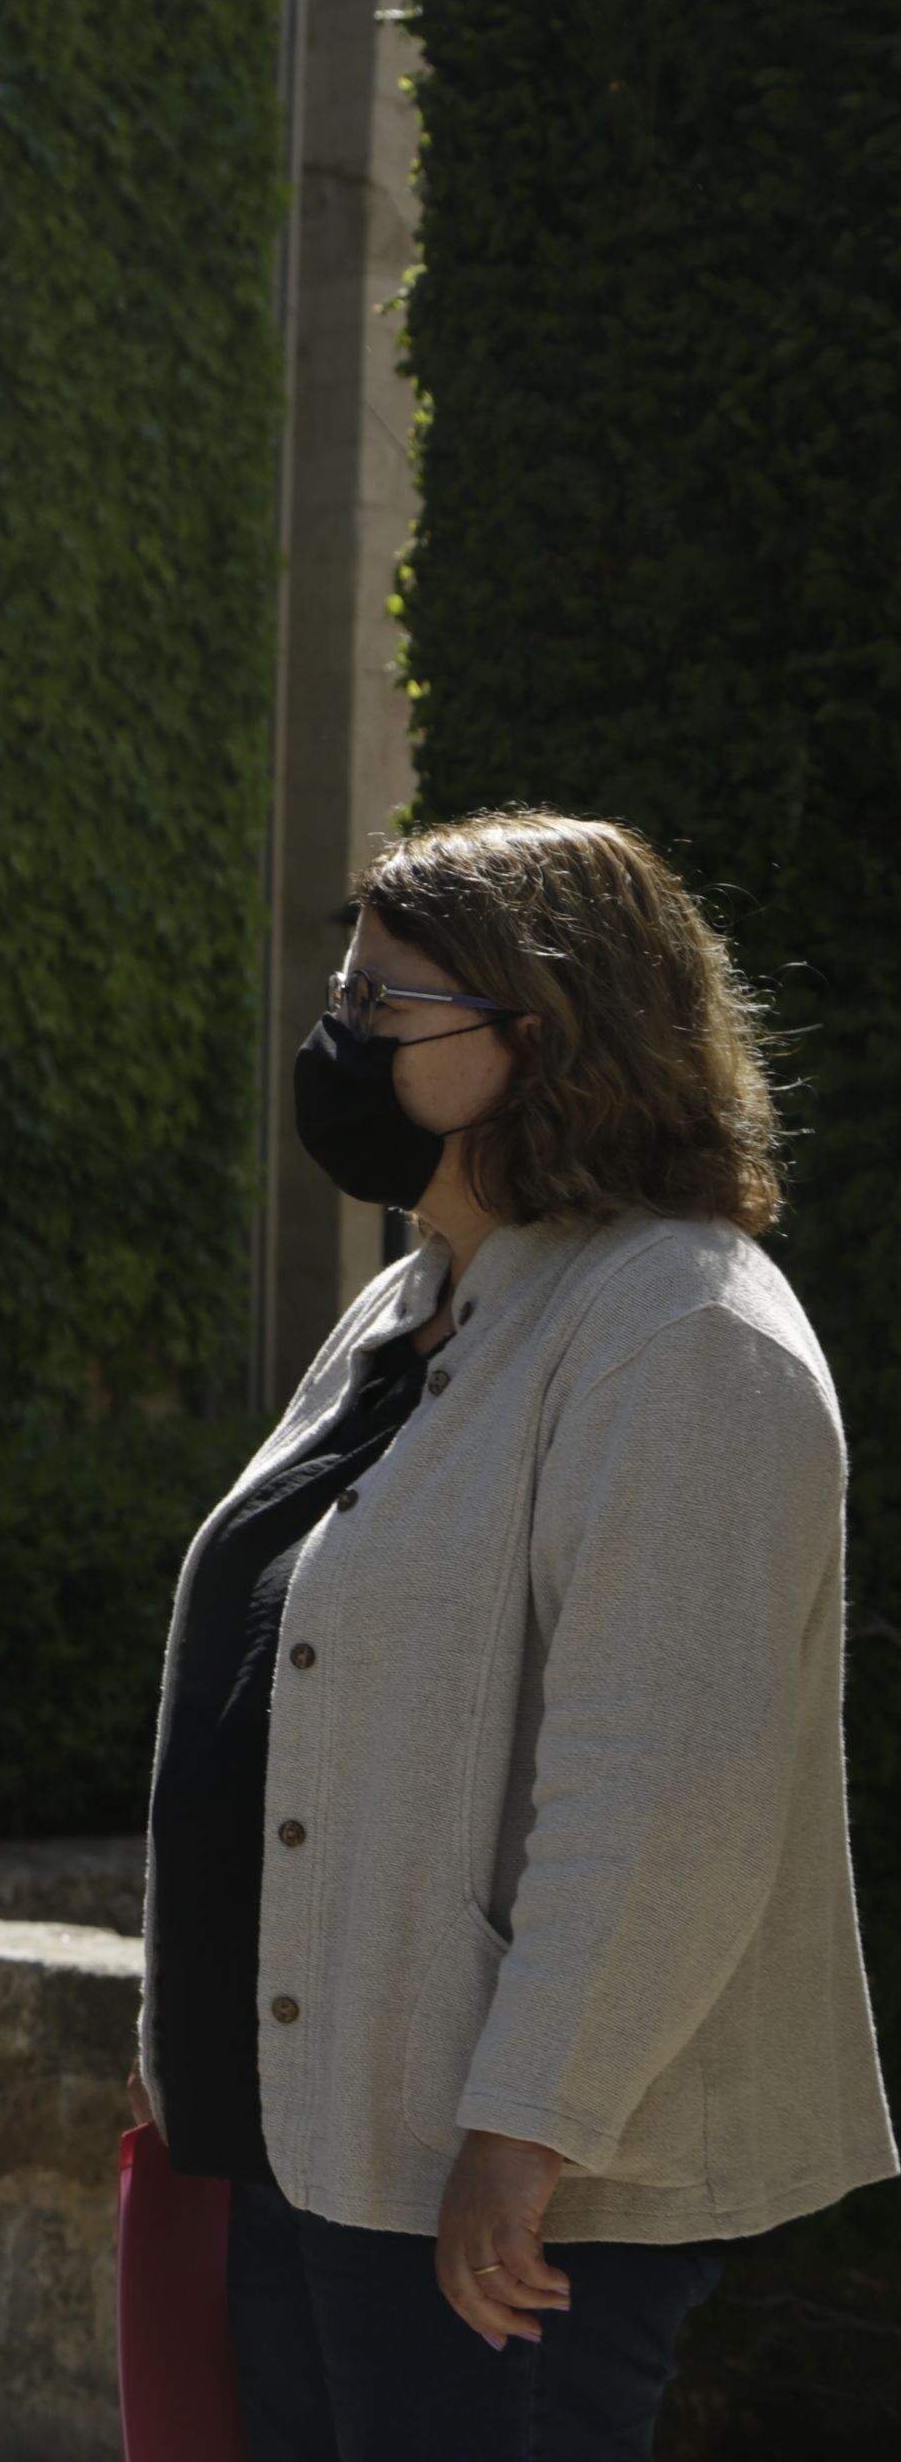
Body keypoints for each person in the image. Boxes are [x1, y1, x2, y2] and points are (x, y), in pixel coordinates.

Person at [131, 809, 896, 2458]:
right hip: (316, 2140)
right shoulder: (420, 1296)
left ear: (540, 1040)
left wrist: (525, 2130)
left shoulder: (682, 1333)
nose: (339, 1041)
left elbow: (665, 1793)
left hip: (492, 2198)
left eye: (385, 1006)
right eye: (341, 995)